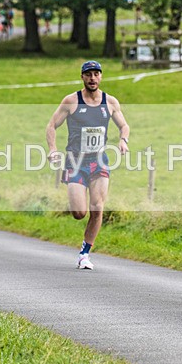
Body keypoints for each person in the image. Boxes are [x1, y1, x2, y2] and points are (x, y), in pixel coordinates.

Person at [46, 60, 130, 269]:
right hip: (75, 161)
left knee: (97, 207)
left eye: (96, 74)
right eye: (88, 75)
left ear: (101, 77)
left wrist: (123, 140)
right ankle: (83, 244)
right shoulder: (71, 101)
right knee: (79, 213)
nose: (93, 78)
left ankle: (85, 253)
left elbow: (124, 125)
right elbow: (51, 125)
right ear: (82, 77)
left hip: (99, 161)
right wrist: (53, 149)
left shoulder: (110, 102)